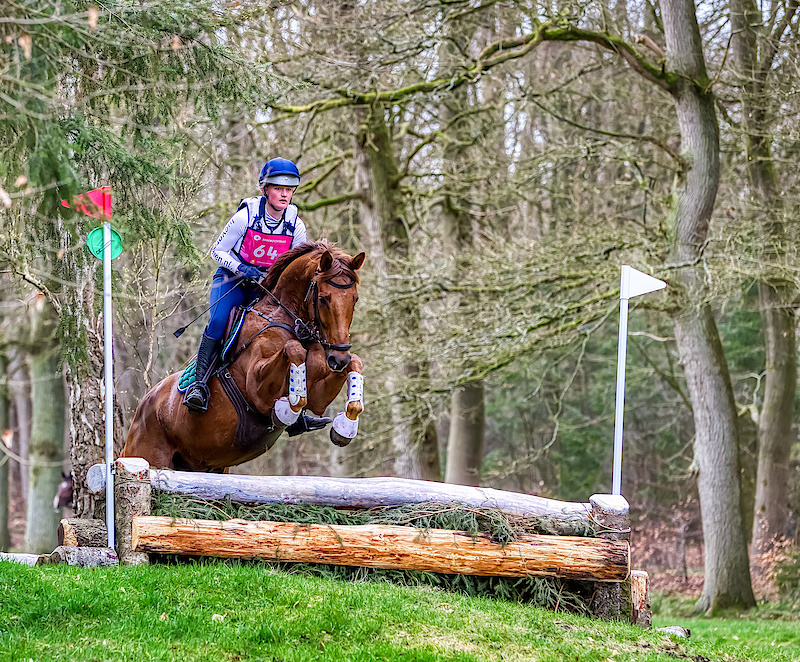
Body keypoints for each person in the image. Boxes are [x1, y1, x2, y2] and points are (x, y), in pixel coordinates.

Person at [183, 158, 330, 435]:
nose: (285, 194)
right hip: (233, 279)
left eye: (290, 189)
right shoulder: (245, 217)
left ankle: (297, 410)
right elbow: (217, 251)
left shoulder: (296, 226)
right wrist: (242, 268)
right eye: (278, 188)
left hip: (266, 287)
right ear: (265, 189)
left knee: (298, 331)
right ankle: (199, 385)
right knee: (217, 322)